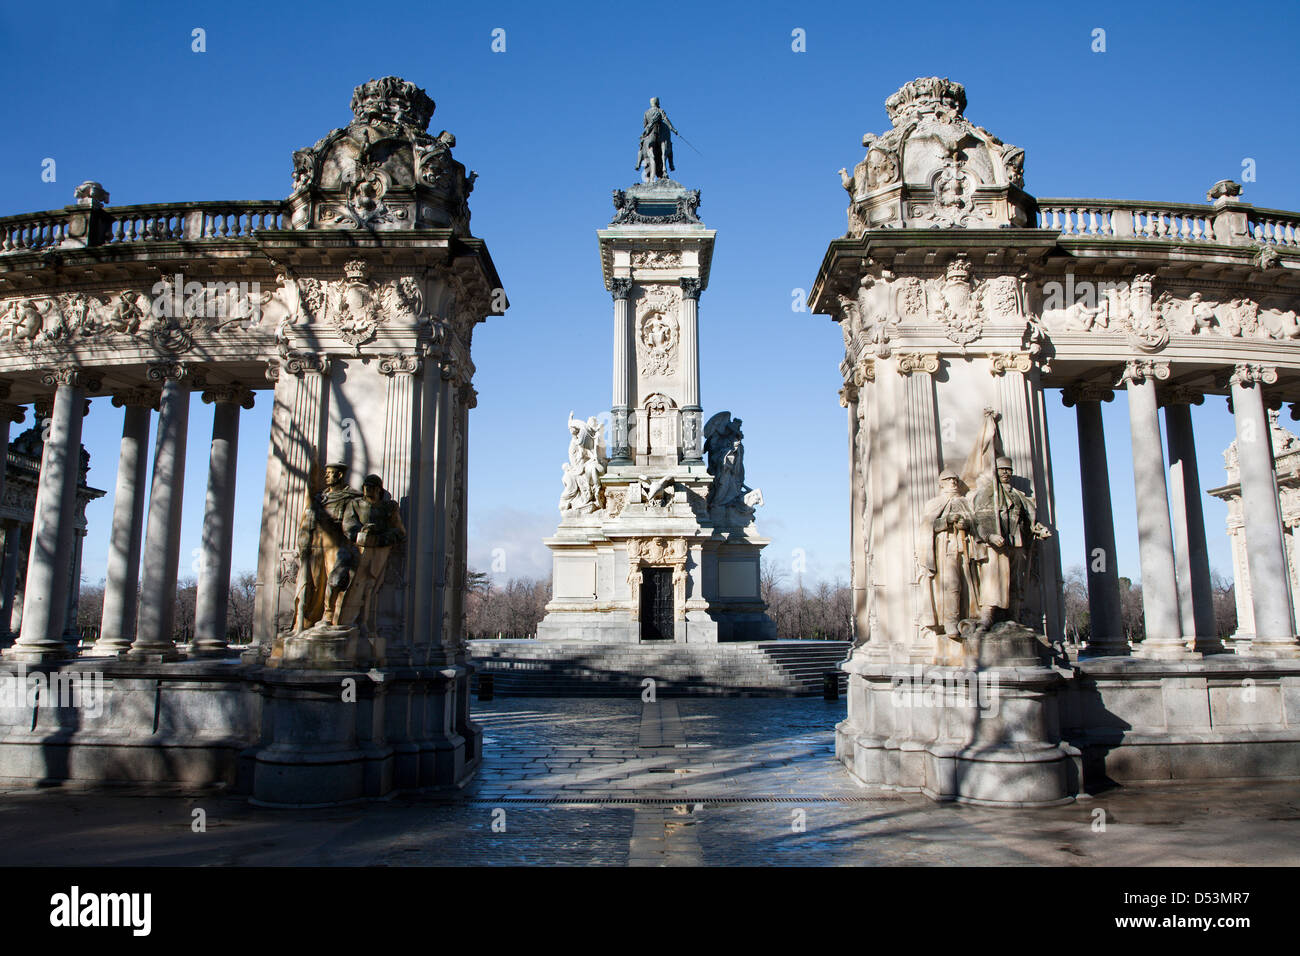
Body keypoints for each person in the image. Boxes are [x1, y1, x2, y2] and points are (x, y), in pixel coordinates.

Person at [970, 457, 1050, 627]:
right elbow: (978, 520)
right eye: (1002, 469)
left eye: (1008, 470)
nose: (1005, 473)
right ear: (995, 472)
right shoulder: (987, 492)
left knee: (1016, 581)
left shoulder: (1018, 495)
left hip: (1017, 543)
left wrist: (1037, 530)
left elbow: (1027, 521)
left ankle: (1013, 617)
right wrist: (989, 536)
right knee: (992, 580)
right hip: (996, 544)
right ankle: (987, 617)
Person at [917, 469, 976, 636]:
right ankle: (951, 620)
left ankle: (971, 618)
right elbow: (927, 527)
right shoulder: (934, 503)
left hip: (966, 547)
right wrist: (946, 521)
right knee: (952, 584)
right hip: (946, 547)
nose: (953, 482)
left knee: (969, 584)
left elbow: (975, 522)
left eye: (955, 479)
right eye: (949, 479)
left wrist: (966, 524)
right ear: (941, 483)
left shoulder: (965, 502)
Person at [637, 97, 678, 182]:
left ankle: (638, 163)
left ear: (651, 103)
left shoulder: (647, 112)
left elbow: (645, 125)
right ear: (658, 102)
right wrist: (673, 129)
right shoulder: (660, 110)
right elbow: (666, 120)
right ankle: (670, 165)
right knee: (669, 145)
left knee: (642, 145)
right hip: (661, 134)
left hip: (651, 133)